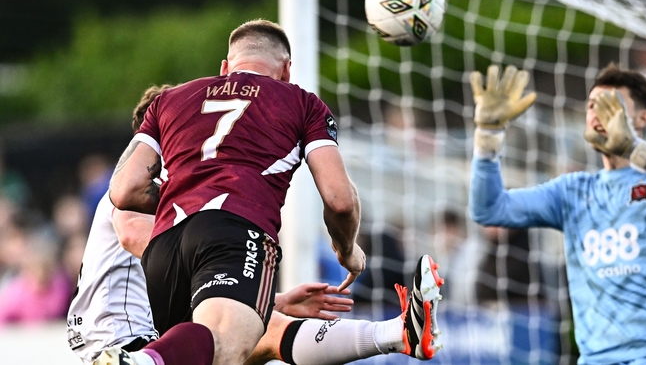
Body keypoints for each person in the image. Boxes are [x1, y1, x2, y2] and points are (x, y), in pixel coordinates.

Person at [96, 20, 441, 365]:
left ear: (224, 68)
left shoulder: (169, 100)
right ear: (287, 70)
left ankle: (400, 333)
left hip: (165, 250)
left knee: (244, 341)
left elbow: (125, 189)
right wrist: (347, 249)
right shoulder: (301, 103)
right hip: (235, 229)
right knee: (223, 340)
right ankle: (143, 362)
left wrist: (182, 196)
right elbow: (339, 199)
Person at [469, 63, 646, 364]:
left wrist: (637, 150)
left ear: (642, 118)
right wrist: (487, 139)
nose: (596, 113)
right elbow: (489, 209)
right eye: (592, 105)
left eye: (611, 106)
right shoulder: (571, 192)